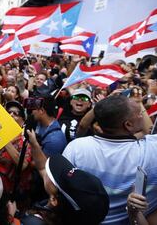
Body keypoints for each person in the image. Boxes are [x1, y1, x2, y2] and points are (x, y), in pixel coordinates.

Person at [63, 95, 157, 224]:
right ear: (128, 124)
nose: (143, 115)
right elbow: (149, 129)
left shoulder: (77, 147)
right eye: (141, 113)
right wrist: (140, 102)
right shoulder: (151, 151)